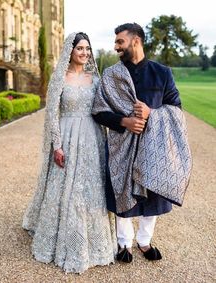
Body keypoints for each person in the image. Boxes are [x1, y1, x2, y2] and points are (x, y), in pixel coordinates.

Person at [92, 23, 191, 263]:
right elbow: (98, 111)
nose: (116, 47)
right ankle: (123, 243)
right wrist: (124, 121)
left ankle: (144, 240)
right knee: (122, 189)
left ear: (135, 41)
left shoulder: (162, 72)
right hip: (121, 145)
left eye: (120, 42)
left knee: (153, 193)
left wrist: (150, 114)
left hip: (154, 144)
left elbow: (175, 109)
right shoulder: (111, 74)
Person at [22, 32, 116, 273]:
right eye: (80, 49)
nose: (84, 53)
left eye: (87, 49)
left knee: (90, 187)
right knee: (67, 189)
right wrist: (57, 145)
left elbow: (106, 108)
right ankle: (61, 239)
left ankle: (94, 241)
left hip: (93, 138)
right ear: (70, 51)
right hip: (67, 136)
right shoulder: (59, 79)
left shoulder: (95, 79)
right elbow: (52, 113)